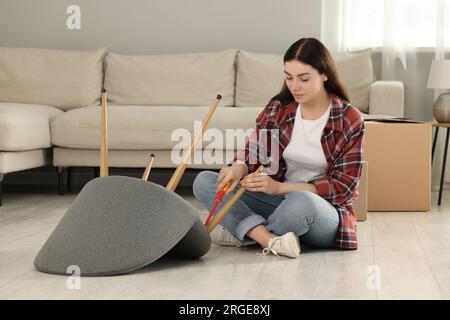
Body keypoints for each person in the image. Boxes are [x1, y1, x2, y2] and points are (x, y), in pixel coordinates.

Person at [193, 37, 364, 258]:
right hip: (278, 202)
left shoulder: (349, 119)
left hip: (322, 211)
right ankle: (270, 239)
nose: (294, 86)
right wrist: (239, 167)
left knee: (301, 201)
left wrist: (280, 188)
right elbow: (255, 149)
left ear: (324, 74)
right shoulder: (279, 108)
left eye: (303, 78)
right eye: (289, 77)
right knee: (205, 181)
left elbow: (343, 187)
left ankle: (243, 231)